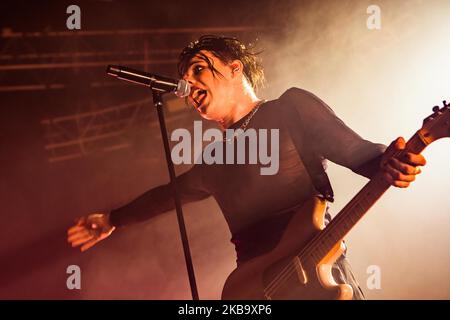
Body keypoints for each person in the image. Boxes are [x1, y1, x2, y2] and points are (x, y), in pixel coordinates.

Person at [67, 35, 426, 299]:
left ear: (234, 68)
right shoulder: (214, 160)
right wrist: (113, 219)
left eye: (197, 69)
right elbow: (167, 196)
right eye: (184, 78)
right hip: (257, 290)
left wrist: (390, 161)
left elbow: (359, 152)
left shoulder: (289, 109)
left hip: (318, 274)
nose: (188, 85)